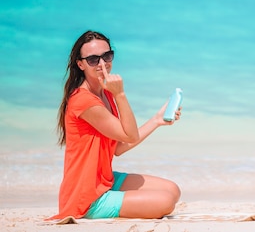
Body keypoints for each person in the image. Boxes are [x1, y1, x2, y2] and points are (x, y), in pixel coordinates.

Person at [48, 30, 181, 220]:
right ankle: (95, 209)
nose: (102, 64)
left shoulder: (105, 93)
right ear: (81, 64)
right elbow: (130, 136)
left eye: (107, 56)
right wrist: (120, 95)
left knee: (172, 190)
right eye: (93, 60)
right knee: (166, 201)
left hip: (104, 179)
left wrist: (156, 120)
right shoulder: (83, 100)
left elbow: (118, 147)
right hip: (86, 197)